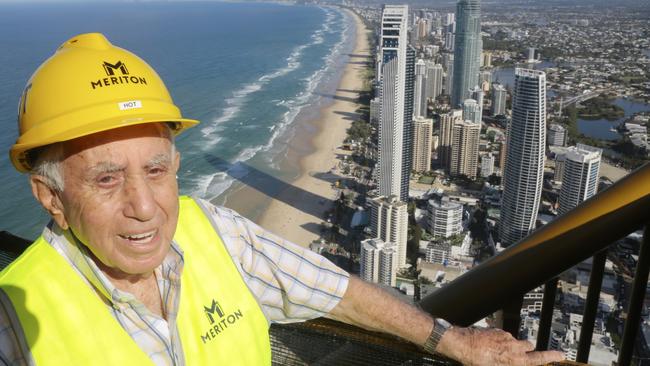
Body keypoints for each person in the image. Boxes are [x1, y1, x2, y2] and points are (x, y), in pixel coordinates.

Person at [1, 33, 564, 365]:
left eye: (155, 169)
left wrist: (459, 342)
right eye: (106, 179)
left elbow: (340, 294)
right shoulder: (15, 318)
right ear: (50, 195)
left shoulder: (216, 233)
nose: (145, 207)